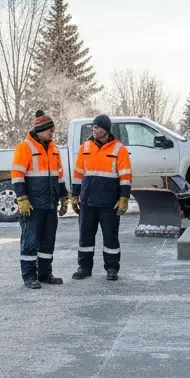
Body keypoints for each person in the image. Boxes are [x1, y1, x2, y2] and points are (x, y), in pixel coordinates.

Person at [11, 110, 69, 289]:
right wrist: (22, 198)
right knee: (30, 240)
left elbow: (59, 175)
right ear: (41, 130)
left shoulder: (53, 148)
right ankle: (29, 276)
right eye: (50, 130)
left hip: (50, 204)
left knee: (48, 240)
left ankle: (45, 274)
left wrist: (63, 196)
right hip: (32, 204)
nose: (53, 134)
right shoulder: (25, 147)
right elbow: (17, 175)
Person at [70, 114, 132, 282]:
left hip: (109, 203)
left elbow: (125, 176)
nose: (94, 130)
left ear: (105, 130)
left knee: (110, 236)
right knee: (85, 236)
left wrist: (124, 198)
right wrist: (75, 195)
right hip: (88, 201)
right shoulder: (85, 147)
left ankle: (112, 268)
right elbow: (77, 173)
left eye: (97, 127)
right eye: (93, 127)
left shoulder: (119, 149)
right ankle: (84, 267)